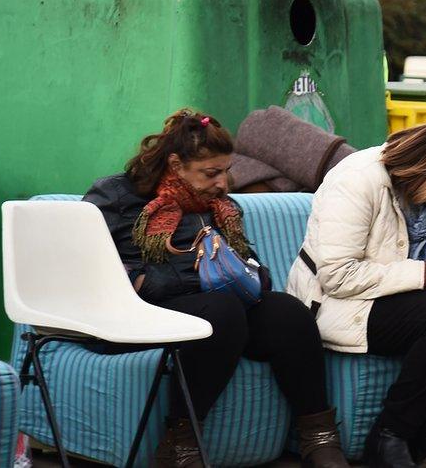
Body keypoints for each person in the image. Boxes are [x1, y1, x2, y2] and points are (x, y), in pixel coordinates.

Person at [82, 110, 347, 468]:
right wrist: (166, 280)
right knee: (221, 310)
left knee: (287, 312)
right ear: (176, 165)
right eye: (212, 173)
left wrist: (250, 276)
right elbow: (86, 262)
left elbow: (251, 264)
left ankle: (318, 436)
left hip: (212, 308)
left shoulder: (219, 207)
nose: (224, 183)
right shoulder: (115, 195)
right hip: (137, 309)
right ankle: (181, 446)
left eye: (226, 170)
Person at [287, 121, 426, 468]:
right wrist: (425, 273)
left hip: (393, 292)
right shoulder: (357, 180)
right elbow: (336, 276)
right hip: (336, 303)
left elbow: (421, 259)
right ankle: (389, 436)